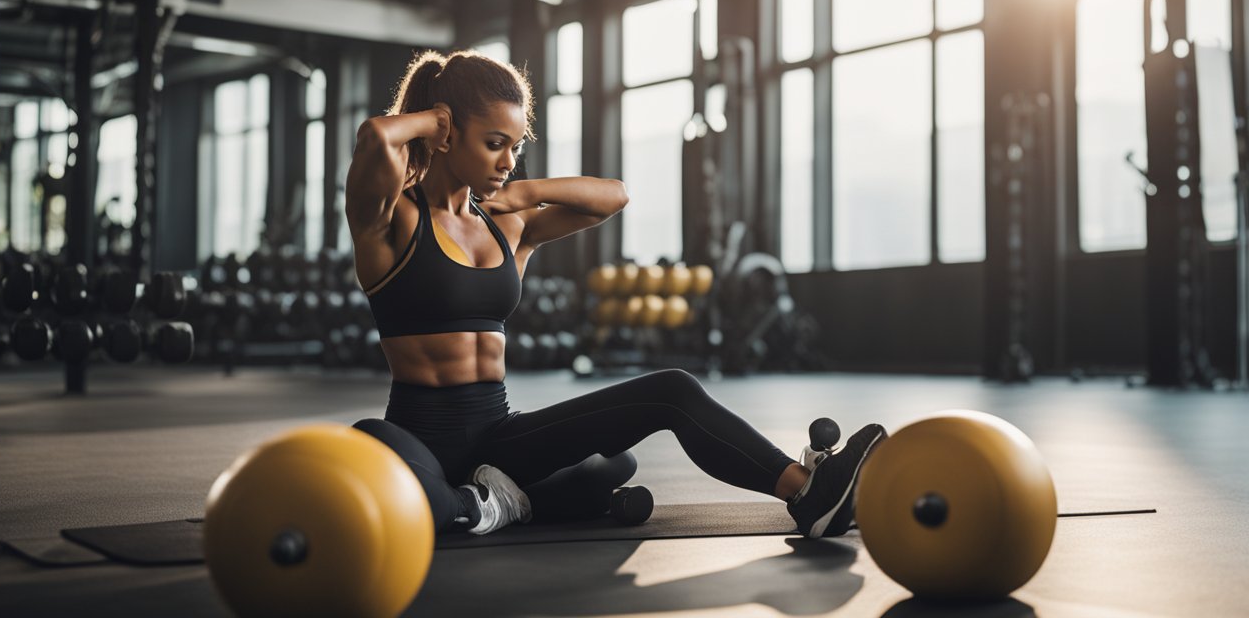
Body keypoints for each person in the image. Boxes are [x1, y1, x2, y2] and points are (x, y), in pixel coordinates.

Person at [346, 49, 886, 537]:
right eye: (493, 144)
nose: (508, 161)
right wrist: (434, 117)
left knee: (664, 399)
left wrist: (525, 192)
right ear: (446, 133)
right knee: (370, 444)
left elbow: (614, 197)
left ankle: (806, 492)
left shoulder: (508, 227)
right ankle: (479, 503)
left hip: (499, 438)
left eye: (515, 147)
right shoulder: (391, 221)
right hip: (421, 438)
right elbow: (375, 136)